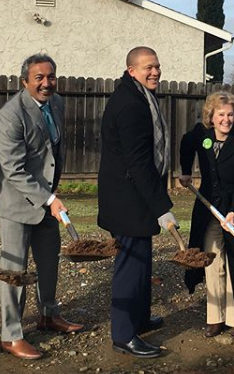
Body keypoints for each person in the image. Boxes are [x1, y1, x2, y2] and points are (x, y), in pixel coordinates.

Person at [0, 54, 83, 360]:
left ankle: (49, 315)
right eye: (39, 77)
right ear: (24, 81)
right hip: (12, 202)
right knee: (14, 270)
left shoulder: (57, 103)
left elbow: (51, 152)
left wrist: (50, 194)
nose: (46, 83)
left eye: (50, 76)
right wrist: (49, 199)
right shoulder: (10, 115)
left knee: (49, 260)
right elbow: (13, 170)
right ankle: (11, 335)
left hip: (45, 198)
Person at [98, 46, 177, 359]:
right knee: (130, 267)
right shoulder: (131, 105)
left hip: (134, 197)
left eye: (157, 66)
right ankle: (123, 335)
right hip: (127, 201)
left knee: (142, 263)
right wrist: (162, 207)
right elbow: (139, 163)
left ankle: (140, 319)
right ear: (132, 70)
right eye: (148, 67)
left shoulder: (140, 96)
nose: (155, 72)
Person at [179, 91, 234, 344]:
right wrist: (185, 171)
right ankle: (215, 317)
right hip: (207, 209)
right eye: (221, 114)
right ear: (211, 116)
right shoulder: (201, 135)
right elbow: (185, 143)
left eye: (230, 114)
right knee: (212, 262)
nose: (226, 119)